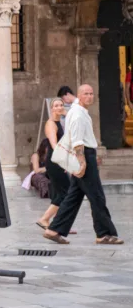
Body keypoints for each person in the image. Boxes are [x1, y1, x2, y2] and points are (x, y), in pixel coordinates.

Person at [44, 83, 124, 246]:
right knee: (97, 196)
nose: (89, 96)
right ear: (80, 96)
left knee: (74, 196)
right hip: (84, 155)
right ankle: (104, 233)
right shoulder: (78, 114)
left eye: (91, 93)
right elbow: (77, 139)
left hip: (87, 154)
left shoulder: (76, 109)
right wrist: (82, 162)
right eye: (86, 94)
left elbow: (73, 106)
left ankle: (54, 229)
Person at [36, 98, 70, 231]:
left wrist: (67, 114)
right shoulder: (51, 124)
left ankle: (58, 224)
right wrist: (63, 162)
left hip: (57, 161)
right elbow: (54, 144)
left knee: (60, 193)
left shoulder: (58, 122)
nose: (60, 107)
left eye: (61, 105)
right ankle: (44, 219)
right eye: (56, 105)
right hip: (55, 162)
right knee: (65, 193)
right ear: (51, 109)